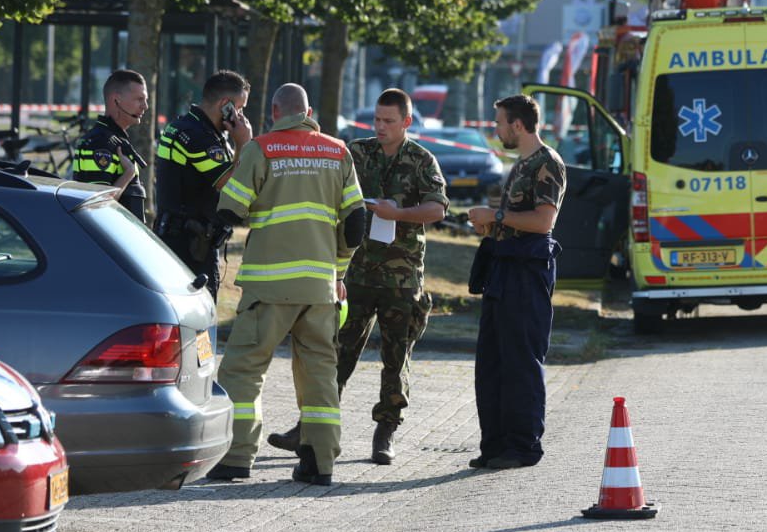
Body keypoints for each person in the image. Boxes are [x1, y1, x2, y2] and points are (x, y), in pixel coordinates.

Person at [265, 88, 447, 465]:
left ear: (407, 122)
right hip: (356, 272)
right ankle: (310, 429)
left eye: (389, 121)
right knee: (336, 353)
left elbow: (437, 209)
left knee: (396, 358)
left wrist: (399, 214)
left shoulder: (421, 160)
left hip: (402, 277)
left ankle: (385, 431)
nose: (380, 127)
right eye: (377, 120)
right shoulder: (357, 153)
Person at [205, 84, 364, 487]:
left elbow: (230, 208)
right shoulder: (338, 151)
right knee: (319, 374)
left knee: (243, 370)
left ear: (275, 111)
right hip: (320, 289)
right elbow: (356, 224)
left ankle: (237, 456)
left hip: (269, 288)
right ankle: (319, 461)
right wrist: (338, 273)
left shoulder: (262, 149)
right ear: (308, 111)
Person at [465, 94, 564, 471]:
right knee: (492, 362)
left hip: (527, 272)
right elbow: (514, 218)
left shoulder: (547, 164)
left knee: (521, 361)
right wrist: (489, 222)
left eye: (500, 124)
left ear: (518, 126)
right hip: (503, 270)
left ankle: (523, 447)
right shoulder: (521, 164)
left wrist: (496, 214)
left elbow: (543, 222)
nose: (497, 131)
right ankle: (496, 445)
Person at [153, 70, 254, 301]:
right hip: (190, 246)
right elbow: (230, 185)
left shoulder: (187, 126)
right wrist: (244, 144)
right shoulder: (198, 136)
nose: (241, 115)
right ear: (225, 104)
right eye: (240, 108)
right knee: (201, 322)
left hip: (182, 238)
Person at [72, 69, 150, 223]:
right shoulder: (100, 143)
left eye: (145, 100)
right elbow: (96, 206)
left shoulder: (115, 139)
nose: (145, 106)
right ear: (116, 100)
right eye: (139, 99)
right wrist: (128, 174)